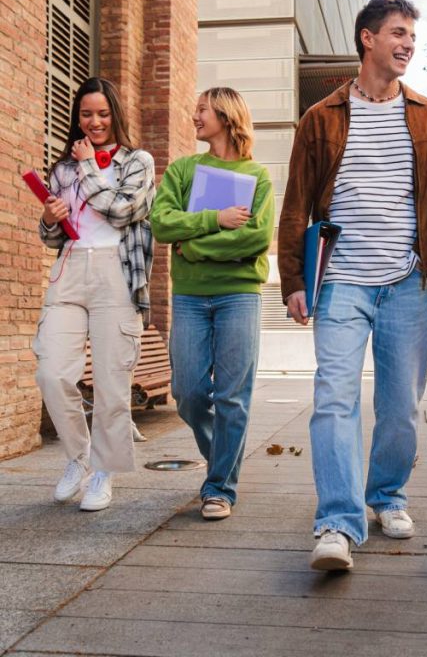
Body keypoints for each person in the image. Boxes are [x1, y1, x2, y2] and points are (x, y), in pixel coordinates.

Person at [279, 0, 427, 570]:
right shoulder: (322, 118)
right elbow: (296, 205)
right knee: (334, 398)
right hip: (340, 285)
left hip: (406, 283)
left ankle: (386, 496)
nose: (407, 44)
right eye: (398, 33)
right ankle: (336, 521)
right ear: (367, 38)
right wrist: (294, 280)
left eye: (412, 36)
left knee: (402, 407)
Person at [150, 87, 274, 520]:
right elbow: (162, 224)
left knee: (233, 397)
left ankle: (219, 486)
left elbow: (256, 238)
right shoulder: (184, 170)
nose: (194, 115)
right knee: (187, 392)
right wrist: (215, 220)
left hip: (239, 295)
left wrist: (195, 247)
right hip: (189, 298)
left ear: (225, 114)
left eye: (201, 108)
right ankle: (226, 458)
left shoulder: (257, 177)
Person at [35, 77, 155, 511]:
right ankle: (79, 457)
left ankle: (105, 471)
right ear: (77, 117)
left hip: (116, 273)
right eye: (86, 114)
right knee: (53, 373)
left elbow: (123, 211)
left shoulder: (137, 161)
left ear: (115, 115)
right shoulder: (62, 168)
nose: (95, 122)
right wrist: (51, 217)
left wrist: (88, 169)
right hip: (69, 271)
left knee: (111, 382)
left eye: (103, 113)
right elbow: (53, 238)